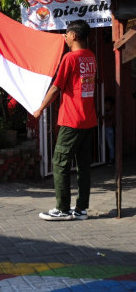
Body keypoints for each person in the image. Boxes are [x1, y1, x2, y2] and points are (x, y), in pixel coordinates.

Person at [34, 20, 97, 221]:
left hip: (72, 120)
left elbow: (55, 87)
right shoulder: (91, 57)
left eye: (67, 34)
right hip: (88, 119)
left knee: (60, 162)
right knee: (83, 165)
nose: (65, 37)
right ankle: (81, 209)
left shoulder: (70, 58)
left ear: (75, 36)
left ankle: (62, 209)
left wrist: (40, 109)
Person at [103, 96, 115, 166]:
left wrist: (103, 116)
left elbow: (109, 117)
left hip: (108, 129)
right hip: (103, 128)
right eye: (105, 103)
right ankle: (106, 159)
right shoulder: (104, 110)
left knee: (110, 145)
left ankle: (112, 159)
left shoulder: (111, 111)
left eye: (107, 104)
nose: (105, 105)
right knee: (102, 144)